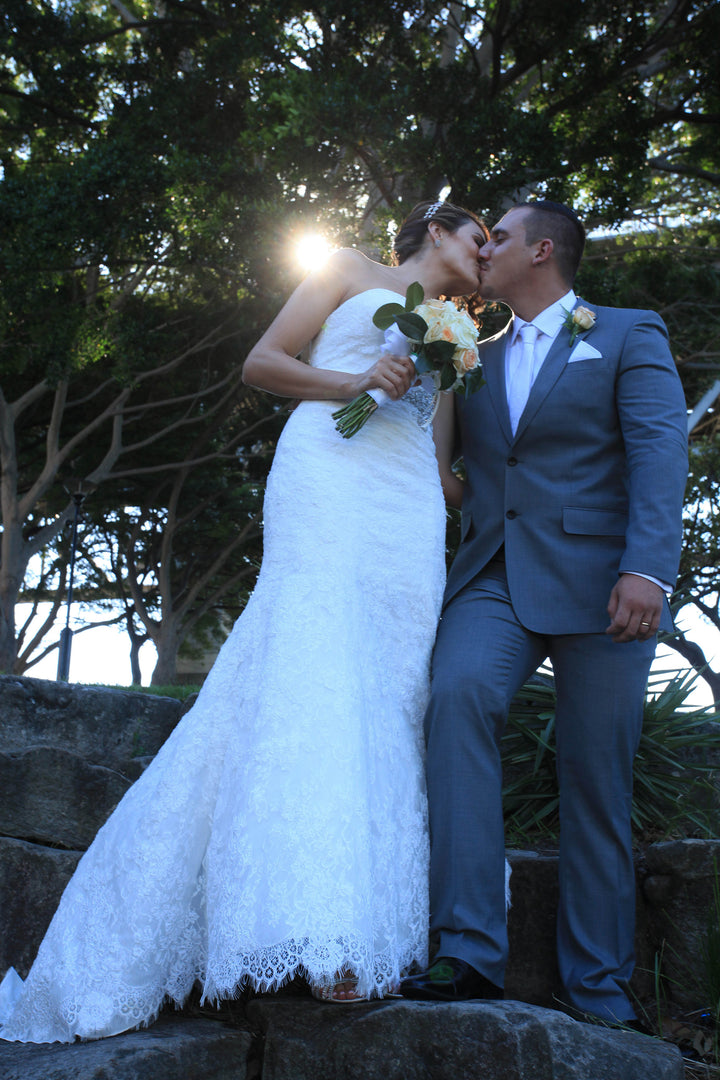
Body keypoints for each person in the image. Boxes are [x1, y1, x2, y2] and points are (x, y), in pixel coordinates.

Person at [0, 200, 487, 1042]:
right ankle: (315, 931)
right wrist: (356, 382)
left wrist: (513, 485)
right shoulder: (347, 267)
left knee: (389, 692)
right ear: (436, 230)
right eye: (479, 236)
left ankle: (365, 925)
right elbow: (261, 363)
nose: (487, 251)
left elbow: (440, 466)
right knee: (316, 671)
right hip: (329, 476)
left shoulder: (457, 333)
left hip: (405, 516)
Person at [400, 200, 688, 1028]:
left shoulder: (626, 332)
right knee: (458, 697)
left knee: (596, 777)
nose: (483, 248)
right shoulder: (470, 352)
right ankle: (467, 951)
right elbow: (443, 466)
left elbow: (659, 451)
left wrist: (646, 569)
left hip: (606, 587)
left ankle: (597, 986)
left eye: (498, 237)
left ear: (544, 249)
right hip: (494, 576)